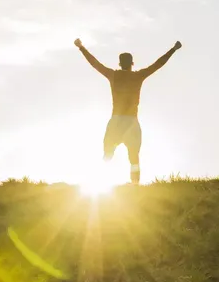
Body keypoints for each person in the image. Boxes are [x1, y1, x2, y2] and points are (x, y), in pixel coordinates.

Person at [74, 38, 182, 185]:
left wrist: (81, 47)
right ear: (132, 64)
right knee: (134, 157)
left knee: (108, 153)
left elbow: (95, 64)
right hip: (131, 121)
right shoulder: (138, 76)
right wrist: (173, 49)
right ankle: (135, 184)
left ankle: (98, 182)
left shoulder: (113, 75)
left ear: (119, 63)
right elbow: (158, 64)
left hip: (117, 120)